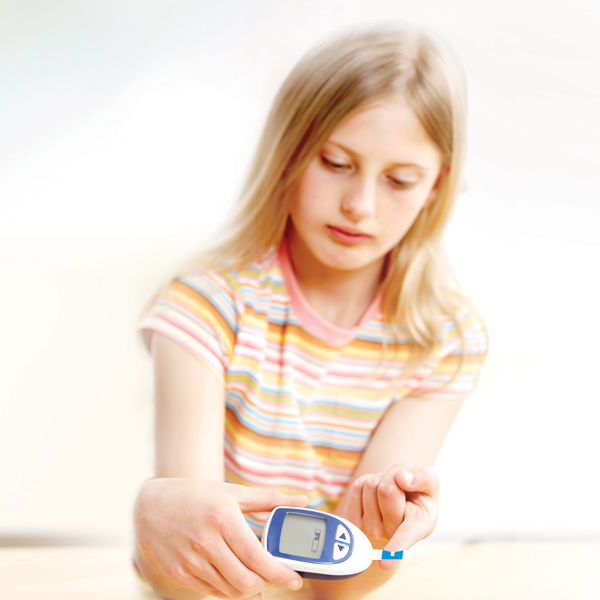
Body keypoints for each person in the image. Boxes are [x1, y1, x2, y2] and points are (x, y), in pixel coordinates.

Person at [133, 22, 487, 600]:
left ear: (436, 187)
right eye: (336, 163)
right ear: (289, 153)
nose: (360, 205)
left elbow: (344, 587)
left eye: (400, 179)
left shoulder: (445, 340)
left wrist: (386, 539)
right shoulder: (207, 306)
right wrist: (159, 510)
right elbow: (186, 565)